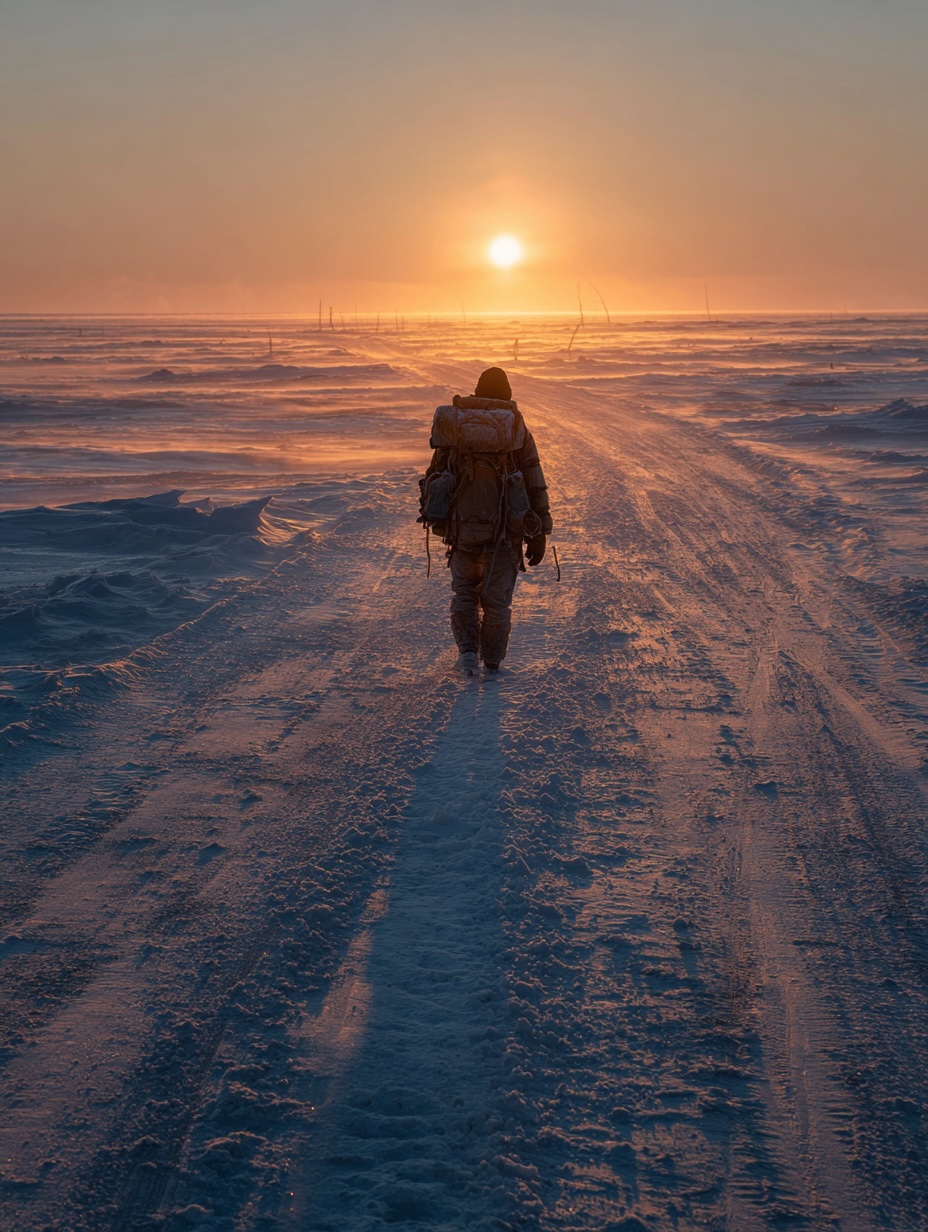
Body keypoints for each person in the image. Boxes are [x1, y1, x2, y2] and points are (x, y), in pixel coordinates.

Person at [418, 366, 553, 675]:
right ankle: (492, 664)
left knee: (464, 593)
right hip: (505, 532)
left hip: (462, 530)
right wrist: (540, 532)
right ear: (507, 393)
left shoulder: (456, 423)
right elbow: (534, 480)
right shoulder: (514, 425)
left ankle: (467, 655)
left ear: (477, 391)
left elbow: (436, 473)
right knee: (497, 601)